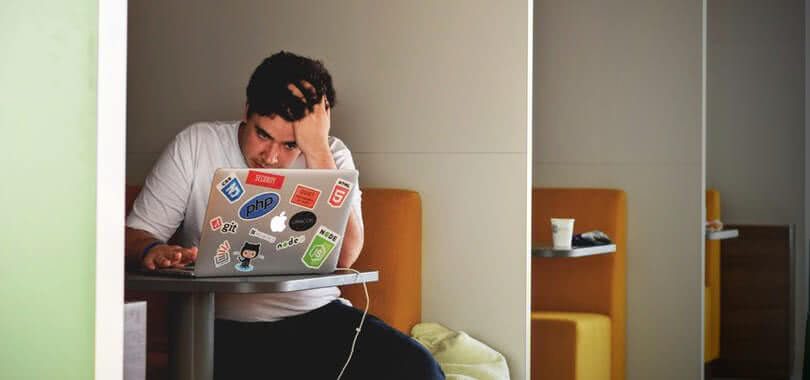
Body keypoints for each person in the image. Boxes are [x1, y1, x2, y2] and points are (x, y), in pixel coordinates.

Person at [125, 51, 445, 379]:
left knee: (420, 368)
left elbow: (346, 255)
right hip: (221, 327)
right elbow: (133, 234)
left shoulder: (332, 155)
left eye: (290, 145)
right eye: (262, 135)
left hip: (317, 317)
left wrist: (317, 150)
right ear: (246, 111)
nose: (271, 157)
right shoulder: (197, 144)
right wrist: (154, 250)